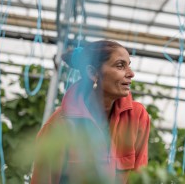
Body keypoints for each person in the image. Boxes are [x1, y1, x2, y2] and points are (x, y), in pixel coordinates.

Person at [31, 40, 150, 184]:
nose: (131, 74)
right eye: (120, 66)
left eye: (128, 66)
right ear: (92, 72)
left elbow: (139, 175)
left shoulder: (137, 116)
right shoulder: (60, 124)